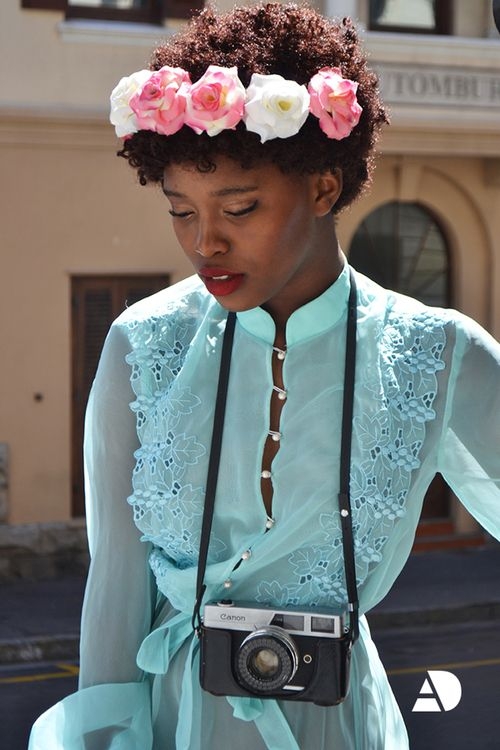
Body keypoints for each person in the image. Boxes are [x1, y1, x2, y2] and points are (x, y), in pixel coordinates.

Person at [29, 3, 500, 749]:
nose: (204, 241)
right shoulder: (140, 345)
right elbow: (115, 592)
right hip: (172, 724)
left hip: (339, 725)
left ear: (323, 188)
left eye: (239, 208)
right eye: (181, 211)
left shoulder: (438, 352)